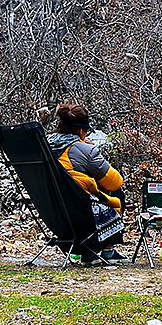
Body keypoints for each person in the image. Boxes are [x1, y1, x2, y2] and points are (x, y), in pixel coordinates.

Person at [44, 102, 125, 263]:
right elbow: (116, 182)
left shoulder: (44, 145)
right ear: (81, 131)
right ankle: (105, 250)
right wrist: (90, 153)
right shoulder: (84, 150)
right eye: (86, 132)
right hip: (79, 212)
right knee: (115, 193)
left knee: (86, 181)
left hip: (52, 209)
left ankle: (86, 251)